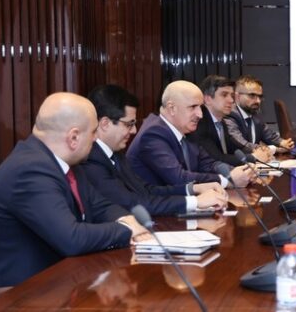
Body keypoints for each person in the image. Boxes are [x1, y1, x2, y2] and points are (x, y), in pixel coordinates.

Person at [0, 93, 149, 290]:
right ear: (73, 137)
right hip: (18, 296)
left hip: (56, 281)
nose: (96, 138)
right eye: (93, 132)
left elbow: (100, 205)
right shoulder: (30, 170)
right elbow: (72, 239)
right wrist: (126, 230)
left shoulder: (66, 163)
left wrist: (127, 219)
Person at [84, 84, 228, 216]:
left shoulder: (115, 154)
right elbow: (134, 204)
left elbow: (146, 190)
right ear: (105, 124)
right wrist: (195, 202)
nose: (134, 131)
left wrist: (193, 189)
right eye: (129, 124)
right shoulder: (91, 159)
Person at [126, 80, 254, 188]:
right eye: (193, 107)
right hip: (157, 208)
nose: (200, 114)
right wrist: (227, 180)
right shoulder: (153, 134)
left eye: (200, 107)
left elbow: (209, 164)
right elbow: (179, 179)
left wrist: (237, 172)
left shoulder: (185, 130)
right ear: (172, 108)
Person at [225, 75, 294, 161]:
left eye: (260, 97)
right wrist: (272, 149)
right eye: (252, 95)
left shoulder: (254, 114)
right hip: (236, 165)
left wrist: (283, 143)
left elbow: (269, 135)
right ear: (237, 96)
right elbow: (241, 145)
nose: (258, 101)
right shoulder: (229, 116)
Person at [187, 75, 245, 167]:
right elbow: (216, 158)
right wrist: (253, 157)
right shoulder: (199, 123)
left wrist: (256, 151)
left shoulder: (221, 122)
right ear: (207, 99)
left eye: (232, 96)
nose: (231, 100)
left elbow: (235, 147)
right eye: (224, 95)